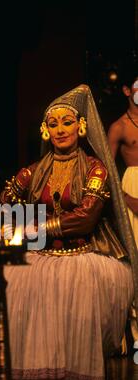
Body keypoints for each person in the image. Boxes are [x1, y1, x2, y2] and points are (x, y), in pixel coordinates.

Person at [1, 84, 138, 380]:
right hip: (41, 256)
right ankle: (42, 375)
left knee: (77, 308)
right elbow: (7, 199)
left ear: (81, 126)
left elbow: (85, 217)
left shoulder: (95, 168)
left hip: (81, 256)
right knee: (21, 291)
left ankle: (74, 376)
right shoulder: (34, 171)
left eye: (67, 123)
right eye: (53, 124)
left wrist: (37, 227)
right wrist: (25, 220)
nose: (61, 130)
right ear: (45, 130)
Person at [108, 71, 138, 349]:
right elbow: (106, 169)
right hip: (132, 189)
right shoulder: (119, 127)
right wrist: (126, 198)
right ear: (128, 91)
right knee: (133, 261)